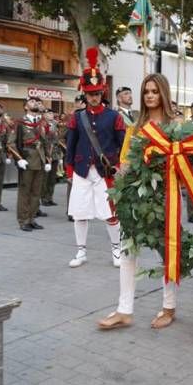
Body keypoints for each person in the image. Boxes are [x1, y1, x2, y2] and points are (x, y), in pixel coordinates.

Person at [97, 73, 183, 330]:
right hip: (136, 197)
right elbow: (125, 162)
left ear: (163, 94)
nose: (150, 95)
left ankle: (169, 307)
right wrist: (118, 180)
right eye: (146, 91)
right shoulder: (135, 127)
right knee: (128, 251)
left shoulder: (176, 126)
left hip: (165, 196)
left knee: (166, 251)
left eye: (155, 91)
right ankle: (124, 310)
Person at [66, 48, 125, 268]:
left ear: (103, 92)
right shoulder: (77, 117)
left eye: (97, 93)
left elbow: (123, 145)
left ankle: (117, 250)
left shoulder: (114, 116)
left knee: (110, 213)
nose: (93, 96)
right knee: (80, 214)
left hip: (105, 171)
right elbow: (70, 145)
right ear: (85, 93)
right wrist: (69, 169)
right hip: (82, 169)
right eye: (90, 93)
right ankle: (81, 252)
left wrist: (119, 166)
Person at [7, 96, 53, 231]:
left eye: (36, 102)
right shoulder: (20, 123)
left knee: (36, 192)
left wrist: (48, 160)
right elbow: (11, 143)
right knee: (25, 192)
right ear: (26, 107)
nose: (35, 103)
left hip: (40, 160)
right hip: (27, 160)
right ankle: (23, 220)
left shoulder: (41, 123)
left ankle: (32, 218)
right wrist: (19, 158)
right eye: (31, 102)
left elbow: (46, 143)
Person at [40, 110, 62, 207]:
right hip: (46, 153)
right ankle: (44, 198)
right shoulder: (42, 125)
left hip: (55, 153)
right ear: (44, 115)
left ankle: (50, 197)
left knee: (52, 178)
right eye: (49, 113)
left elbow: (58, 139)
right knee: (45, 177)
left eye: (52, 113)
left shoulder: (55, 124)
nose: (51, 115)